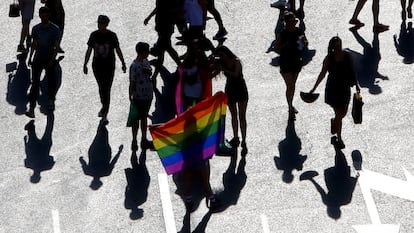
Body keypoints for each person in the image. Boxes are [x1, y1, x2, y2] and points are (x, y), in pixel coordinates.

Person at [309, 36, 360, 149]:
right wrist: (314, 88)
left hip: (345, 87)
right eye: (336, 45)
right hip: (334, 88)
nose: (338, 47)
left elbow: (352, 70)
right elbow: (322, 74)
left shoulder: (347, 55)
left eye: (339, 45)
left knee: (343, 113)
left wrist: (356, 85)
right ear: (332, 47)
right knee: (339, 113)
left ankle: (334, 123)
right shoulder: (329, 59)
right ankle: (339, 138)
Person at [83, 15, 127, 123]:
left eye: (102, 23)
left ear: (107, 24)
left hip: (109, 66)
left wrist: (123, 62)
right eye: (99, 23)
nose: (100, 25)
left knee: (107, 89)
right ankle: (104, 106)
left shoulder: (112, 36)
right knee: (101, 88)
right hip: (97, 66)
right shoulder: (94, 35)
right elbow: (89, 50)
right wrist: (85, 63)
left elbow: (117, 49)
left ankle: (105, 112)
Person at [26, 6, 60, 118]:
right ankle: (31, 108)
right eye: (42, 16)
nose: (44, 18)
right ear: (40, 16)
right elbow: (34, 44)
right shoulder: (35, 29)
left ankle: (51, 101)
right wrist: (30, 57)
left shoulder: (55, 29)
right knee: (35, 83)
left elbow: (56, 46)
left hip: (49, 58)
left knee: (51, 80)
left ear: (48, 16)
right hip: (38, 58)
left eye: (46, 16)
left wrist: (52, 60)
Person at [213, 45, 248, 153]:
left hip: (240, 88)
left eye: (221, 55)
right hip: (231, 90)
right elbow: (214, 74)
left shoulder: (236, 61)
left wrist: (223, 68)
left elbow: (236, 74)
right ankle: (236, 137)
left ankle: (244, 140)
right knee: (233, 115)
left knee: (242, 116)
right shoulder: (222, 63)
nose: (221, 57)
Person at [275, 12, 307, 120]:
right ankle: (290, 107)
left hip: (297, 61)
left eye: (295, 21)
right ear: (287, 23)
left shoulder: (299, 31)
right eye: (292, 21)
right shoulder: (283, 33)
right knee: (290, 85)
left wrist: (304, 42)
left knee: (292, 85)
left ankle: (291, 104)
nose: (294, 23)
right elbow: (276, 47)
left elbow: (305, 43)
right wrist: (285, 44)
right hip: (285, 61)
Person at [129, 42, 154, 151]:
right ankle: (134, 140)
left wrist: (148, 71)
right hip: (138, 96)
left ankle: (143, 139)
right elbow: (132, 81)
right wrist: (131, 95)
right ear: (142, 52)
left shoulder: (146, 62)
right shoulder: (134, 66)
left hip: (147, 95)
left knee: (143, 118)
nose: (149, 53)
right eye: (147, 51)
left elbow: (150, 73)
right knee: (136, 120)